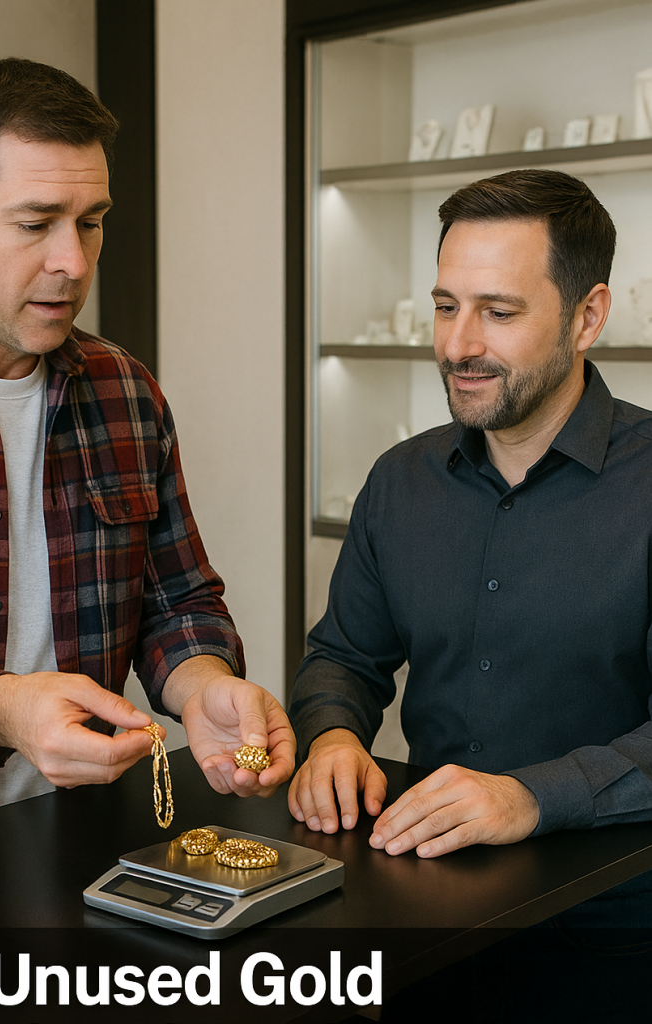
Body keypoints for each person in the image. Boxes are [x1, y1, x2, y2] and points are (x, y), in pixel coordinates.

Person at [0, 57, 294, 852]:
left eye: (92, 220)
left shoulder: (125, 391)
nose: (73, 261)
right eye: (35, 223)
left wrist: (204, 686)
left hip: (83, 844)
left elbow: (177, 601)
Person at [288, 169, 652, 1020]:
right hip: (419, 911)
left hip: (611, 935)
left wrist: (531, 795)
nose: (456, 344)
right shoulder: (399, 479)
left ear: (587, 315)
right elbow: (343, 654)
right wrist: (333, 736)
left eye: (498, 310)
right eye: (445, 305)